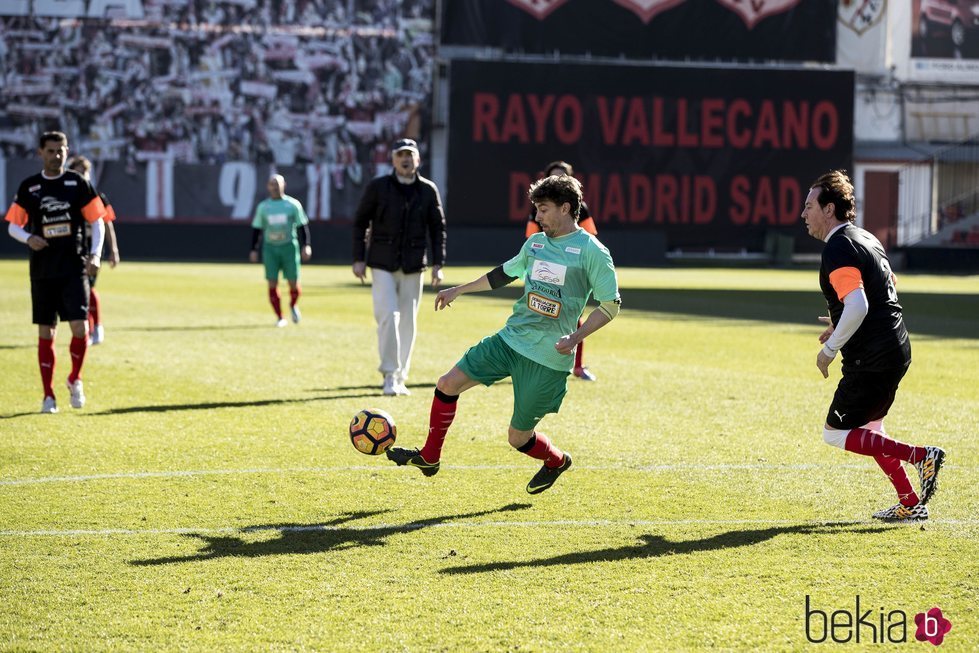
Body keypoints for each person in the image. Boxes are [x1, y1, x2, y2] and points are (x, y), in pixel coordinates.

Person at [386, 174, 621, 494]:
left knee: (517, 437)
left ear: (566, 208)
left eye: (543, 209)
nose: (537, 217)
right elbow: (505, 273)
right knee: (447, 383)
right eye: (536, 209)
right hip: (510, 340)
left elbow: (610, 305)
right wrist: (460, 289)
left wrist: (574, 339)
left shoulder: (592, 251)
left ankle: (555, 461)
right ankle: (429, 456)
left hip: (548, 356)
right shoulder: (535, 243)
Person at [804, 170, 945, 522]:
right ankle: (910, 502)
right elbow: (886, 287)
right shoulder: (865, 237)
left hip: (872, 356)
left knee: (835, 434)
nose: (803, 214)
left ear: (829, 209)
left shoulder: (838, 246)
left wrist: (830, 348)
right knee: (871, 430)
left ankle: (920, 456)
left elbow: (860, 305)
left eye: (809, 206)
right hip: (896, 347)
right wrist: (841, 323)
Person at [4, 131, 106, 413]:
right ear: (40, 153)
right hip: (43, 270)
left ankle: (75, 378)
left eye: (61, 150)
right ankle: (48, 396)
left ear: (67, 150)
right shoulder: (30, 187)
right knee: (47, 333)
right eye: (50, 151)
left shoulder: (78, 183)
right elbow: (13, 225)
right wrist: (28, 238)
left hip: (74, 267)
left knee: (80, 327)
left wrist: (96, 254)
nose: (56, 155)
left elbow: (97, 221)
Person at [352, 138, 446, 396]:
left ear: (418, 160)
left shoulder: (427, 190)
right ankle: (389, 374)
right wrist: (359, 257)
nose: (405, 159)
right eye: (400, 155)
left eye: (410, 155)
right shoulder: (378, 187)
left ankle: (402, 376)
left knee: (408, 322)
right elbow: (360, 222)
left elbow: (438, 229)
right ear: (392, 159)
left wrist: (438, 264)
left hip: (414, 264)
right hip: (382, 261)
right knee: (388, 316)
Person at [527, 160, 599, 381]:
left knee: (573, 316)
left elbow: (590, 238)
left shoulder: (580, 208)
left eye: (562, 177)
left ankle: (576, 366)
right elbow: (530, 238)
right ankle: (531, 360)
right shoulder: (538, 208)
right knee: (536, 314)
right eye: (553, 177)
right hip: (543, 268)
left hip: (571, 270)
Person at [66, 155, 120, 345]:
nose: (83, 175)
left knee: (88, 287)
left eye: (85, 171)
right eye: (79, 171)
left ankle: (95, 328)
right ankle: (88, 328)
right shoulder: (67, 196)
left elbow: (108, 224)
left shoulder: (98, 196)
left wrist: (113, 249)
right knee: (78, 289)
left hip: (91, 247)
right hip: (73, 247)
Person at [249, 174, 311, 327]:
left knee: (293, 283)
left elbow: (302, 226)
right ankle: (279, 317)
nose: (275, 187)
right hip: (270, 249)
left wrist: (306, 245)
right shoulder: (264, 207)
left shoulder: (292, 205)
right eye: (272, 184)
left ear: (284, 185)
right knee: (272, 282)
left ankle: (293, 305)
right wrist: (253, 249)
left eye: (277, 183)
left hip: (289, 247)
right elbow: (257, 229)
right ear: (267, 187)